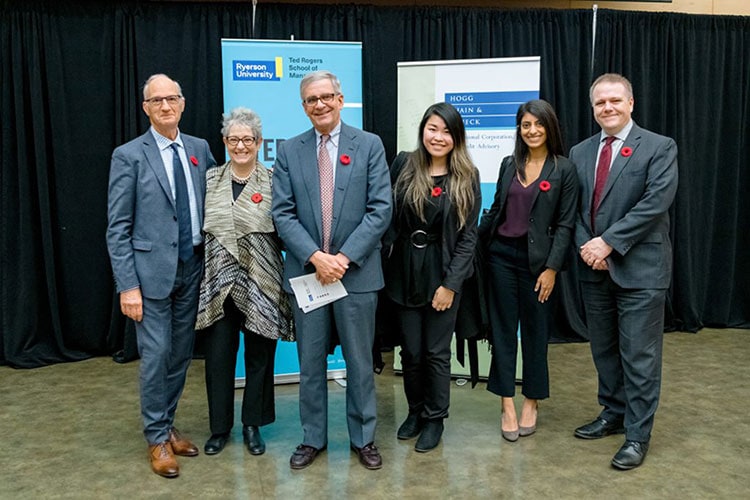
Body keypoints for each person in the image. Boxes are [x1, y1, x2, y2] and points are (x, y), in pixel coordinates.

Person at [271, 71, 392, 470]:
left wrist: (343, 258)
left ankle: (364, 438)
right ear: (303, 106)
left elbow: (380, 209)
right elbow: (282, 213)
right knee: (310, 363)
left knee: (359, 362)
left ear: (340, 99)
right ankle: (312, 438)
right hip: (309, 276)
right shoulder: (289, 151)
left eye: (326, 97)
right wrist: (316, 256)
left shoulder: (369, 144)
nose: (320, 105)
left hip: (355, 274)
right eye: (311, 100)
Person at [106, 74, 216, 478]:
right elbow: (117, 227)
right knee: (155, 357)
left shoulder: (200, 149)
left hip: (192, 268)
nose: (166, 106)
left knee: (181, 356)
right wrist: (128, 286)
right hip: (149, 277)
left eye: (172, 98)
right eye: (157, 101)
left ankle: (167, 425)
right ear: (146, 108)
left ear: (183, 103)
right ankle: (156, 439)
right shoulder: (129, 155)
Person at [569, 73, 678, 470]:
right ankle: (612, 413)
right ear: (593, 108)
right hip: (593, 268)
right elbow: (574, 208)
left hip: (640, 270)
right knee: (604, 351)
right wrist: (588, 246)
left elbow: (655, 203)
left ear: (630, 103)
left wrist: (608, 243)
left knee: (639, 356)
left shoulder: (659, 147)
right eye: (600, 102)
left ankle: (637, 435)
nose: (608, 108)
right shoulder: (580, 152)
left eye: (615, 100)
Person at [195, 107, 294, 457]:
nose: (240, 146)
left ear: (259, 142)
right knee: (219, 359)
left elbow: (287, 229)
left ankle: (254, 425)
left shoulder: (274, 181)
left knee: (259, 359)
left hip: (261, 284)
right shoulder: (208, 180)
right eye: (233, 139)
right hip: (218, 287)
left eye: (247, 139)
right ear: (224, 142)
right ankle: (219, 428)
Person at [383, 102, 481, 452]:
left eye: (446, 131)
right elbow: (385, 215)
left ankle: (436, 418)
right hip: (403, 271)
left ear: (456, 138)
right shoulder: (403, 164)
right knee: (410, 351)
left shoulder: (466, 174)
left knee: (436, 353)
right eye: (432, 129)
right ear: (423, 129)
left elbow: (469, 235)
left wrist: (451, 285)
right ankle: (415, 412)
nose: (438, 137)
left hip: (442, 273)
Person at [478, 100, 578, 442]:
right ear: (519, 130)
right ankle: (506, 403)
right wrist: (466, 236)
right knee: (503, 332)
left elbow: (565, 225)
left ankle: (531, 401)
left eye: (538, 124)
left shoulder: (564, 169)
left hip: (539, 265)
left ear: (550, 127)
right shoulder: (509, 164)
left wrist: (552, 268)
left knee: (535, 334)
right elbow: (495, 211)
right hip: (501, 258)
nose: (532, 130)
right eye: (525, 125)